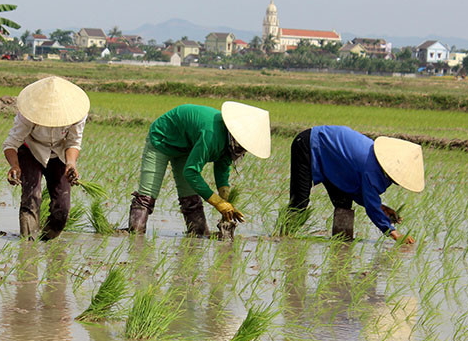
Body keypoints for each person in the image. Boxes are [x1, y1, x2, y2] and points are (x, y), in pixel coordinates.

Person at [128, 102, 270, 236]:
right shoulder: (211, 134)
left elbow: (222, 165)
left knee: (190, 197)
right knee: (148, 195)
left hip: (187, 146)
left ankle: (198, 234)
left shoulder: (232, 143)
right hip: (162, 138)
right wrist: (217, 202)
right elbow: (191, 172)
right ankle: (135, 233)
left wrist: (225, 197)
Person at [280, 125, 422, 243]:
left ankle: (341, 246)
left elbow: (361, 193)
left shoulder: (375, 163)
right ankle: (283, 238)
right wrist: (394, 234)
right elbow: (371, 205)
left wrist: (381, 207)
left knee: (343, 204)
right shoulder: (372, 169)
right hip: (308, 144)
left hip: (333, 161)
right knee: (300, 202)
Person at [3, 76, 89, 240]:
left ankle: (46, 241)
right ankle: (28, 245)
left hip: (59, 153)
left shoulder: (76, 114)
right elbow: (11, 143)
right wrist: (15, 166)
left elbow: (74, 141)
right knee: (32, 197)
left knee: (62, 208)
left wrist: (71, 164)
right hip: (30, 150)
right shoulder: (29, 114)